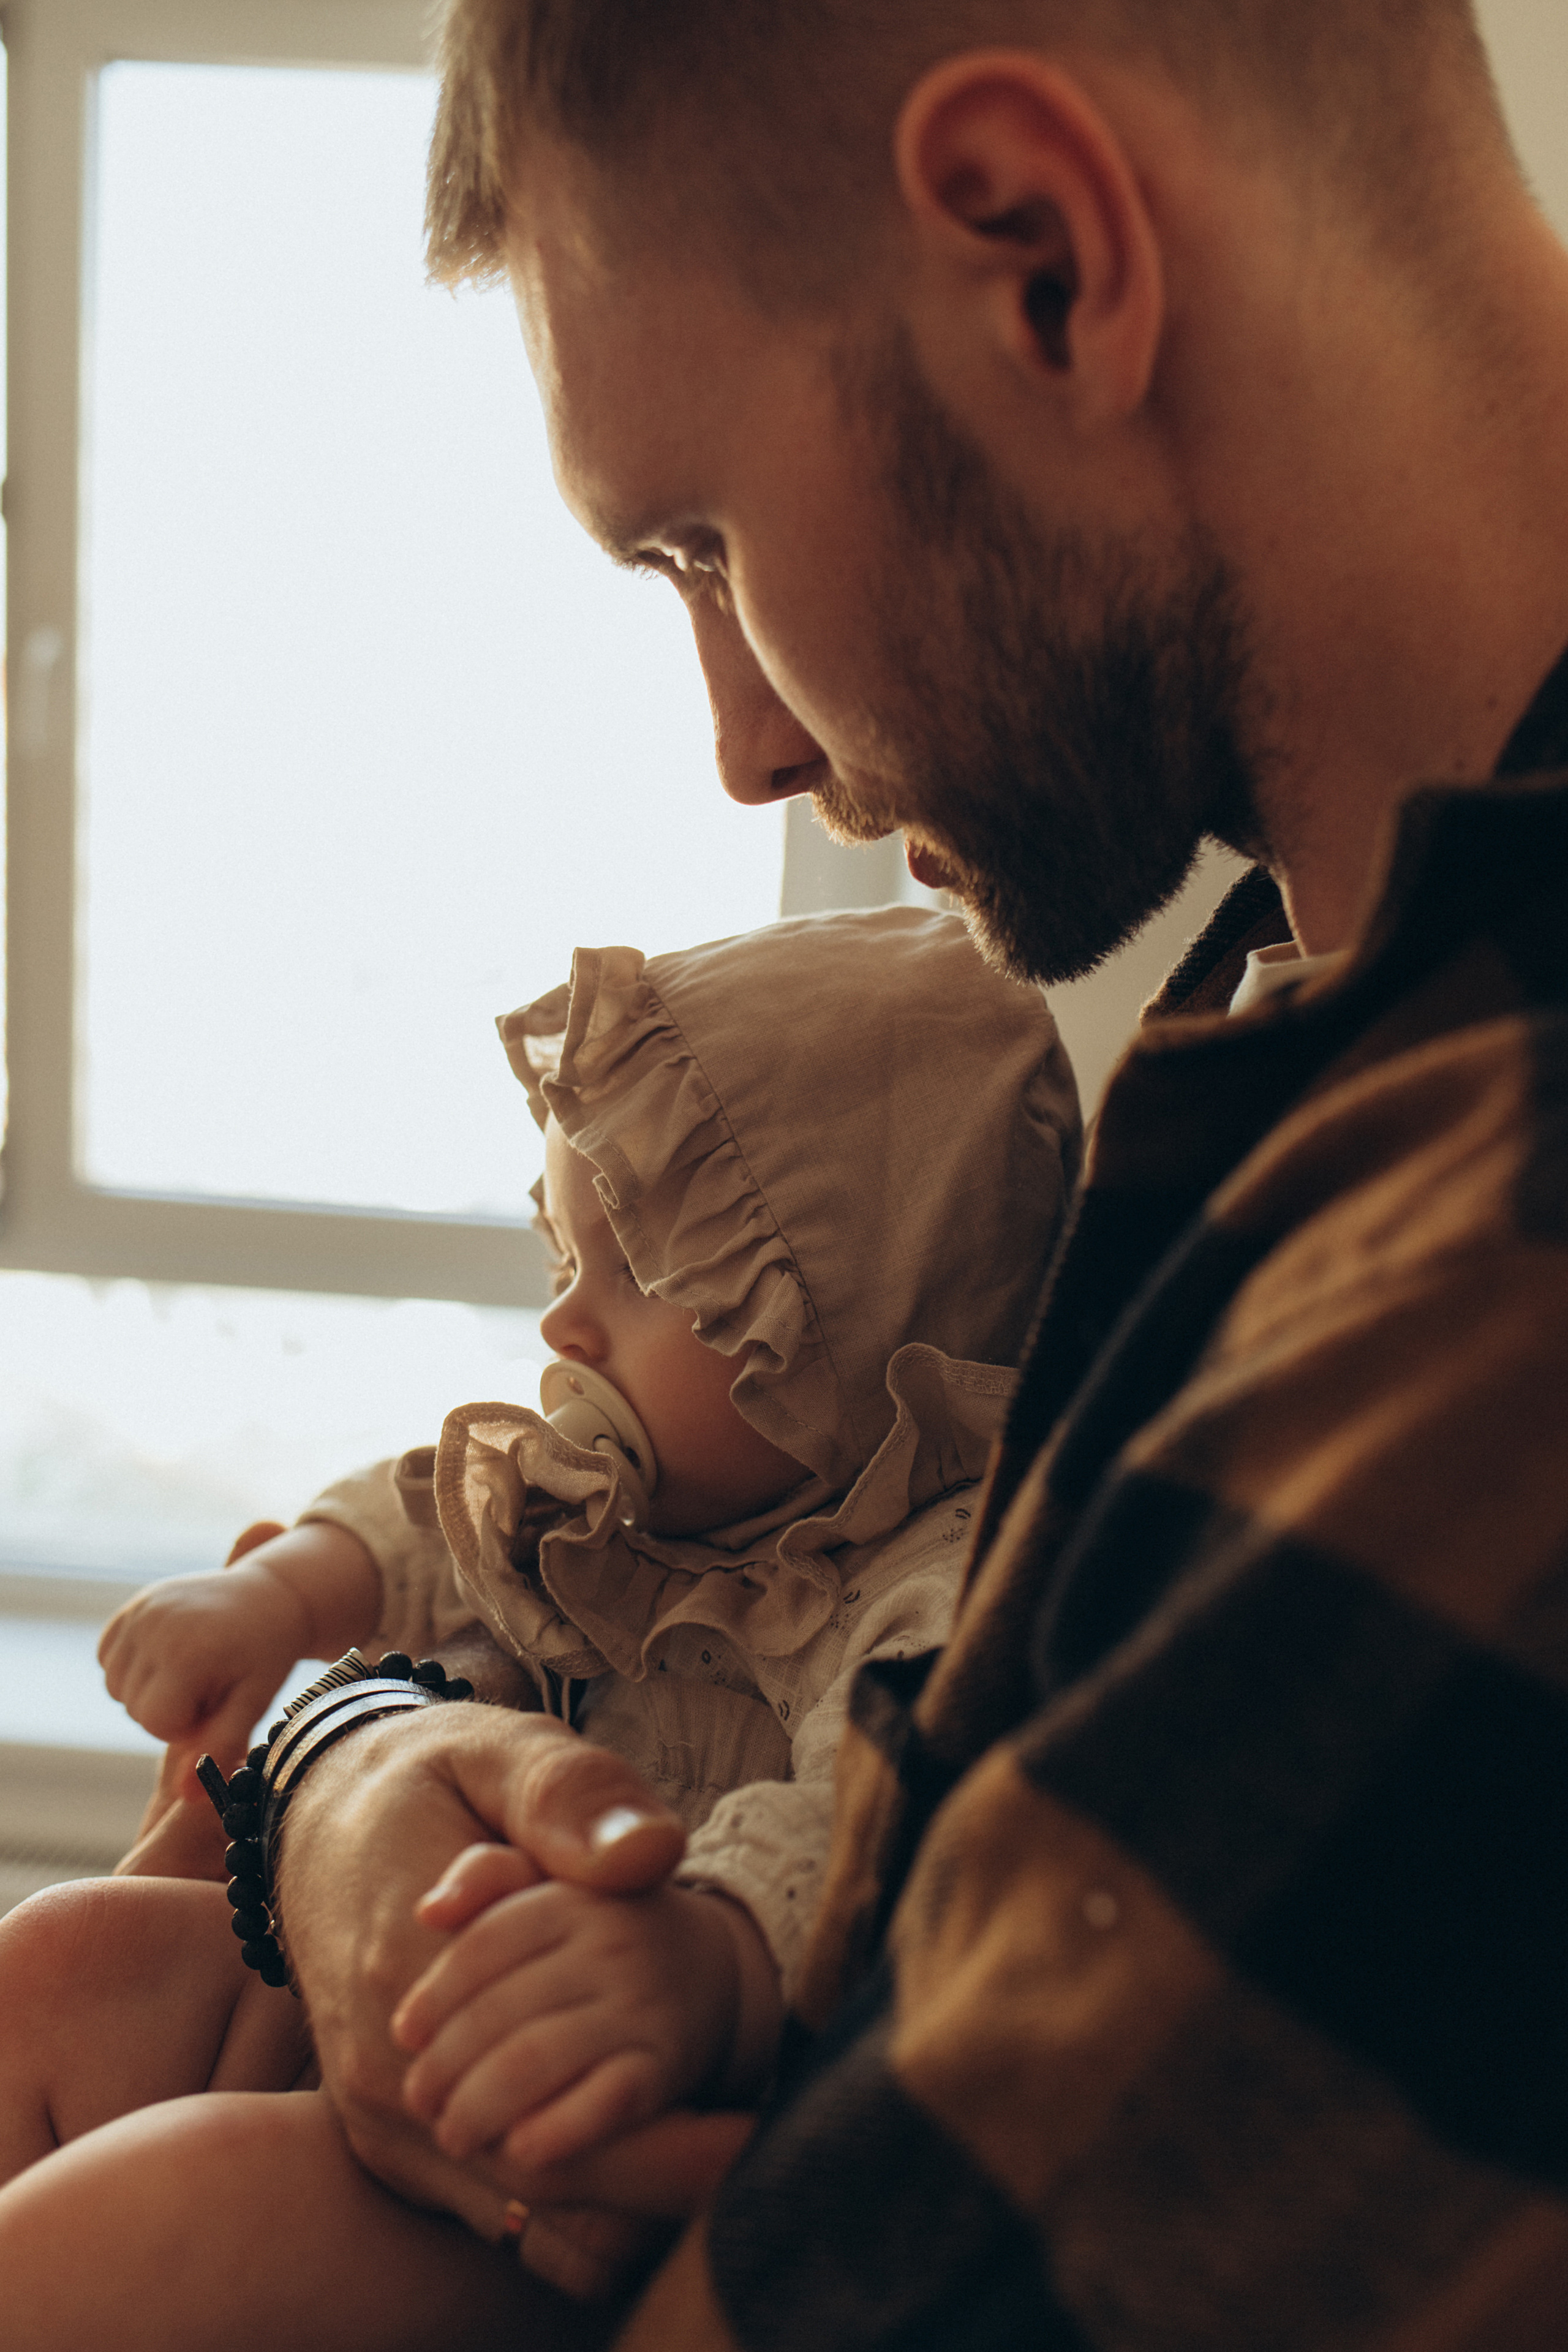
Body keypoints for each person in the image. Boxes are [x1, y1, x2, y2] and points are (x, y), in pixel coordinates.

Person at [197, 3, 1568, 2345]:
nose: (747, 751)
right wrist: (339, 1770)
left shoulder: (1479, 1280)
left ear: (1044, 262)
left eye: (705, 545)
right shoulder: (1300, 1020)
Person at [0, 908, 1079, 2349]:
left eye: (639, 1277)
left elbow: (860, 1812)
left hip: (605, 2137)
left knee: (160, 2215)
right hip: (427, 1956)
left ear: (843, 1319)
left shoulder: (932, 1583)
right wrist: (276, 1597)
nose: (566, 1324)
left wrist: (707, 1961)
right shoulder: (628, 1486)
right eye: (569, 1259)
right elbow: (424, 1519)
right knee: (61, 1957)